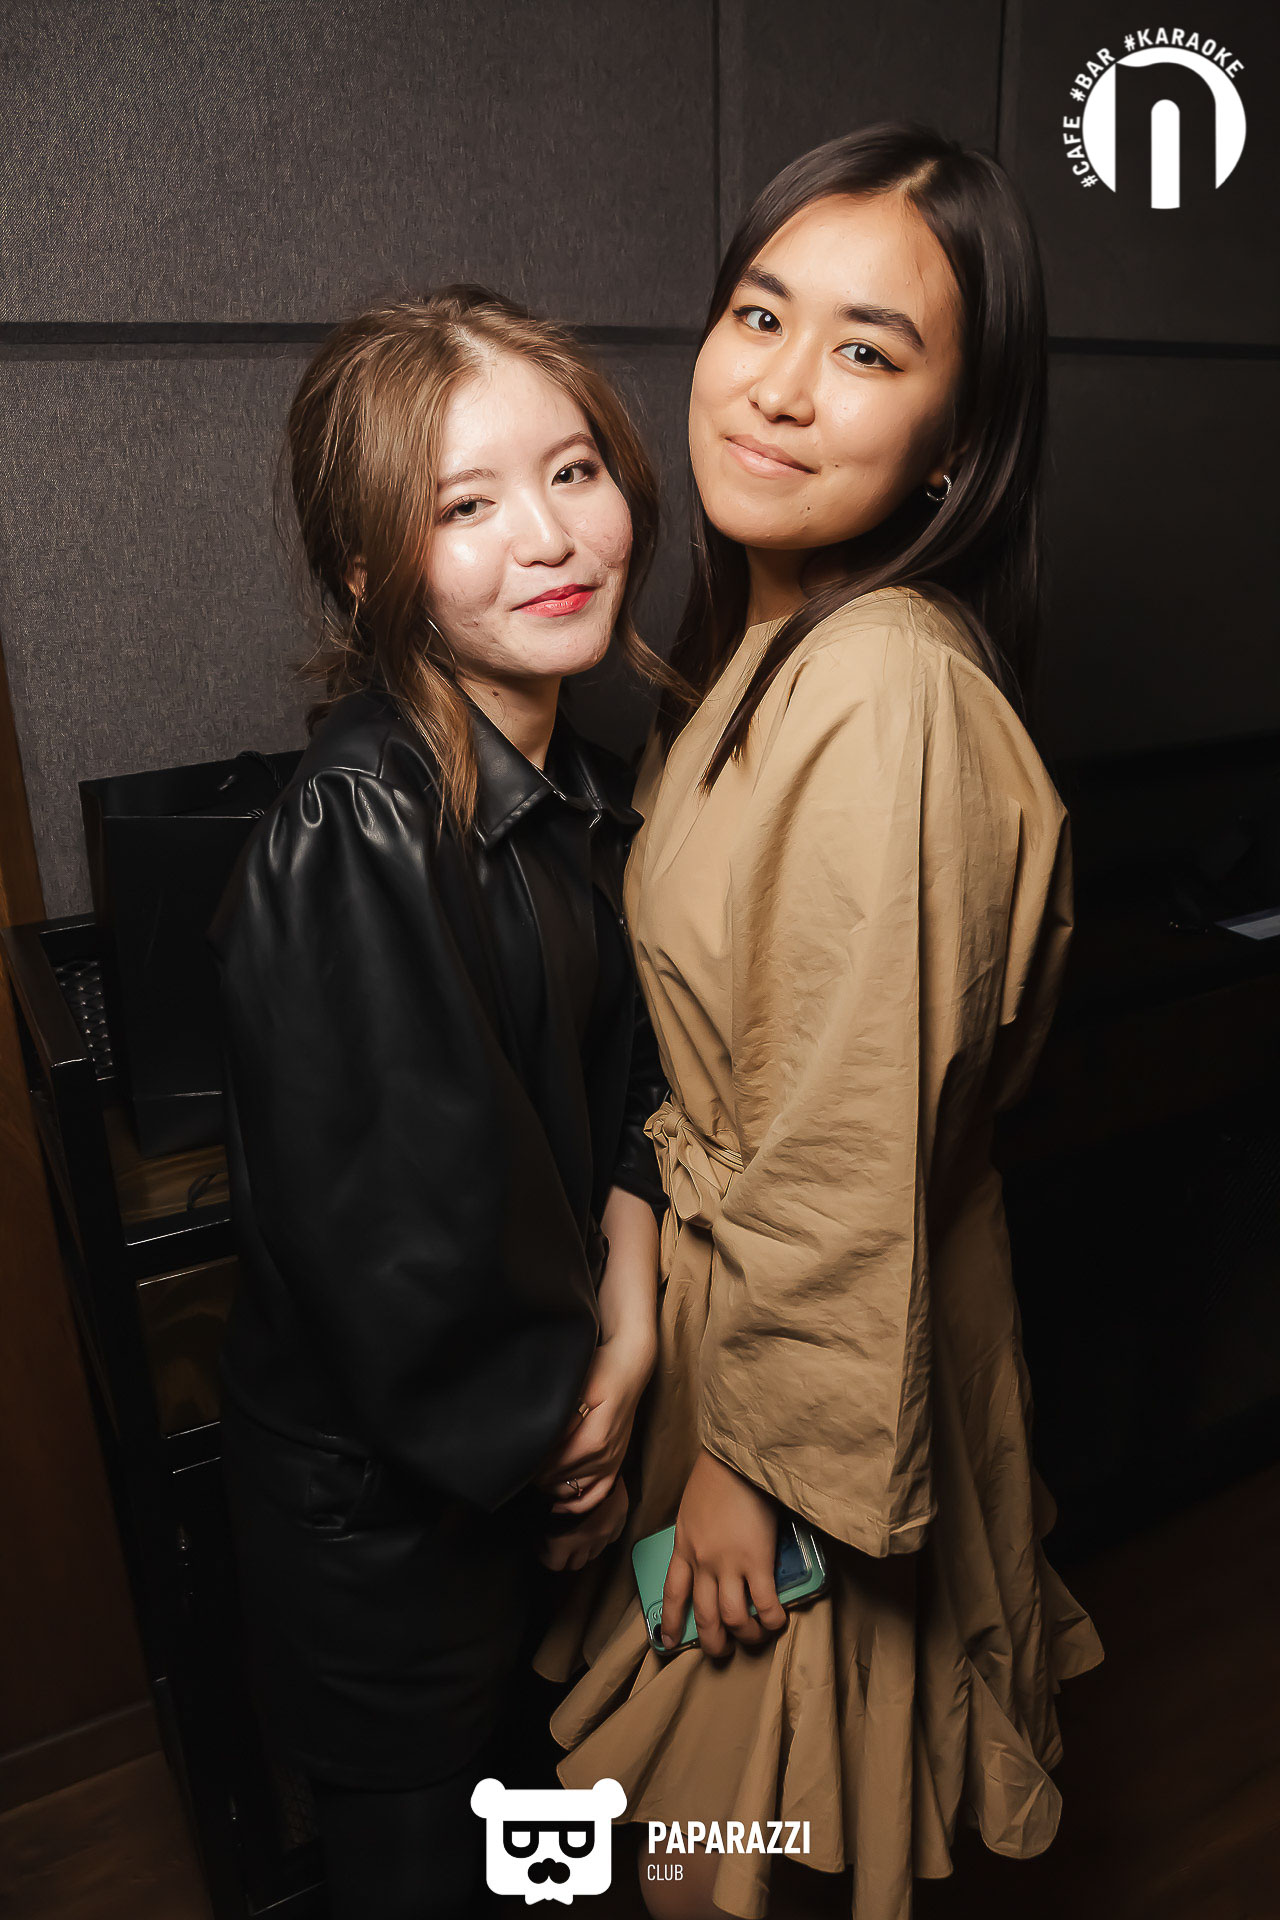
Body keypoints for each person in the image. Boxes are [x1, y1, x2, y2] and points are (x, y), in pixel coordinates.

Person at [534, 123, 1106, 1920]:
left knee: (721, 1854)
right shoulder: (761, 649)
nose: (779, 388)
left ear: (957, 441)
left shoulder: (884, 691)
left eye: (866, 349)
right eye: (760, 315)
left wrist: (756, 1475)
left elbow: (854, 1139)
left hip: (812, 1387)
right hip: (743, 1340)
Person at [209, 285, 682, 1919]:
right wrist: (570, 1441)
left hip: (537, 1471)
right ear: (366, 569)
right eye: (463, 506)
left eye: (573, 471)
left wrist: (630, 1328)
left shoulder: (576, 781)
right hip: (403, 1553)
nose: (549, 538)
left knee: (560, 1876)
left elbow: (634, 1078)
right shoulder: (361, 825)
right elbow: (413, 1272)